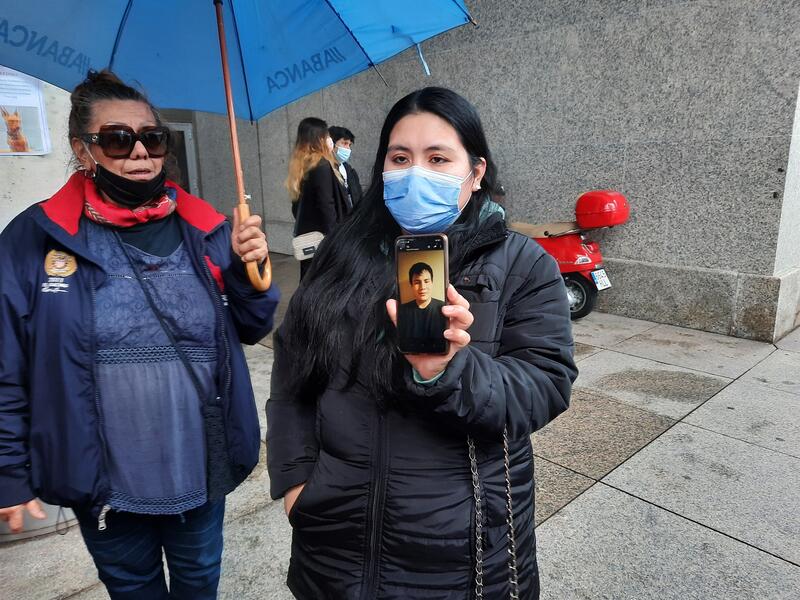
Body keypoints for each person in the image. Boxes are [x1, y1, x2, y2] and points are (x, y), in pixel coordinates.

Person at [267, 87, 577, 599]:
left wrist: (450, 369)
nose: (415, 174)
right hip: (335, 546)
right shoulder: (340, 255)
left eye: (437, 159)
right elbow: (292, 373)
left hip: (460, 550)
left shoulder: (523, 265)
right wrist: (297, 481)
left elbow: (545, 386)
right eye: (400, 158)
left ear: (475, 172)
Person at [0, 70, 280, 600]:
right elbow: (5, 363)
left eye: (152, 138)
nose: (139, 152)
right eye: (117, 139)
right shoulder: (35, 237)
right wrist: (8, 470)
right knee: (132, 589)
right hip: (104, 479)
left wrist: (251, 271)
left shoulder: (207, 228)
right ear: (83, 149)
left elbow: (253, 325)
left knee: (199, 582)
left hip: (199, 463)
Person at [286, 117, 348, 279]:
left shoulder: (301, 165)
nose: (329, 140)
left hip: (310, 238)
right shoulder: (321, 165)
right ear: (319, 138)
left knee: (310, 279)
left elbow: (296, 207)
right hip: (325, 240)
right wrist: (335, 240)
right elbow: (327, 205)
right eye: (326, 135)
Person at [397, 261, 446, 343]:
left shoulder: (444, 308)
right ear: (411, 285)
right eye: (417, 282)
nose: (422, 287)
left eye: (426, 281)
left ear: (432, 282)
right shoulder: (402, 310)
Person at [329, 125, 363, 208]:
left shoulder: (350, 171)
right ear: (331, 144)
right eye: (344, 143)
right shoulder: (323, 171)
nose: (348, 149)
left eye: (349, 145)